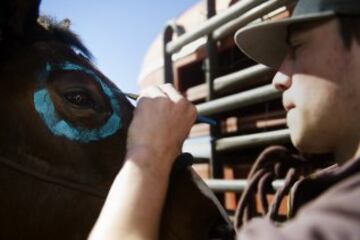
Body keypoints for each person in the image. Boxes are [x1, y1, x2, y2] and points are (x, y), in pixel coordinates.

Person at [88, 0, 360, 239]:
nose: (278, 78)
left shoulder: (339, 222)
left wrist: (148, 153)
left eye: (297, 48)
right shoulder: (328, 196)